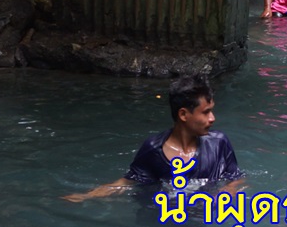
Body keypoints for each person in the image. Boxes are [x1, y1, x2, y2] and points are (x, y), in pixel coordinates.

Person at [62, 74, 244, 200]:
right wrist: (87, 196)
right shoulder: (154, 150)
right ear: (183, 114)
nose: (213, 118)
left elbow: (236, 178)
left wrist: (228, 190)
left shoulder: (219, 143)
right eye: (206, 112)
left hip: (206, 221)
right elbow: (127, 182)